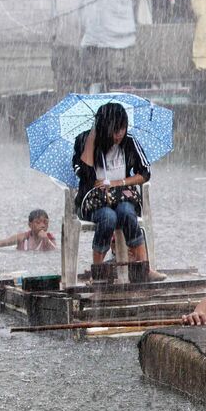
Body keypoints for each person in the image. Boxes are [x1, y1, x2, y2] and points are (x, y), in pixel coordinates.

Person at [72, 102, 165, 281]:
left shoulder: (129, 142)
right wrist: (92, 137)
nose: (119, 134)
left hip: (122, 197)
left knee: (127, 213)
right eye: (114, 130)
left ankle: (142, 268)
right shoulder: (84, 140)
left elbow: (145, 173)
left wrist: (118, 182)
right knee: (108, 218)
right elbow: (84, 174)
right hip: (94, 202)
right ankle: (98, 273)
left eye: (122, 128)